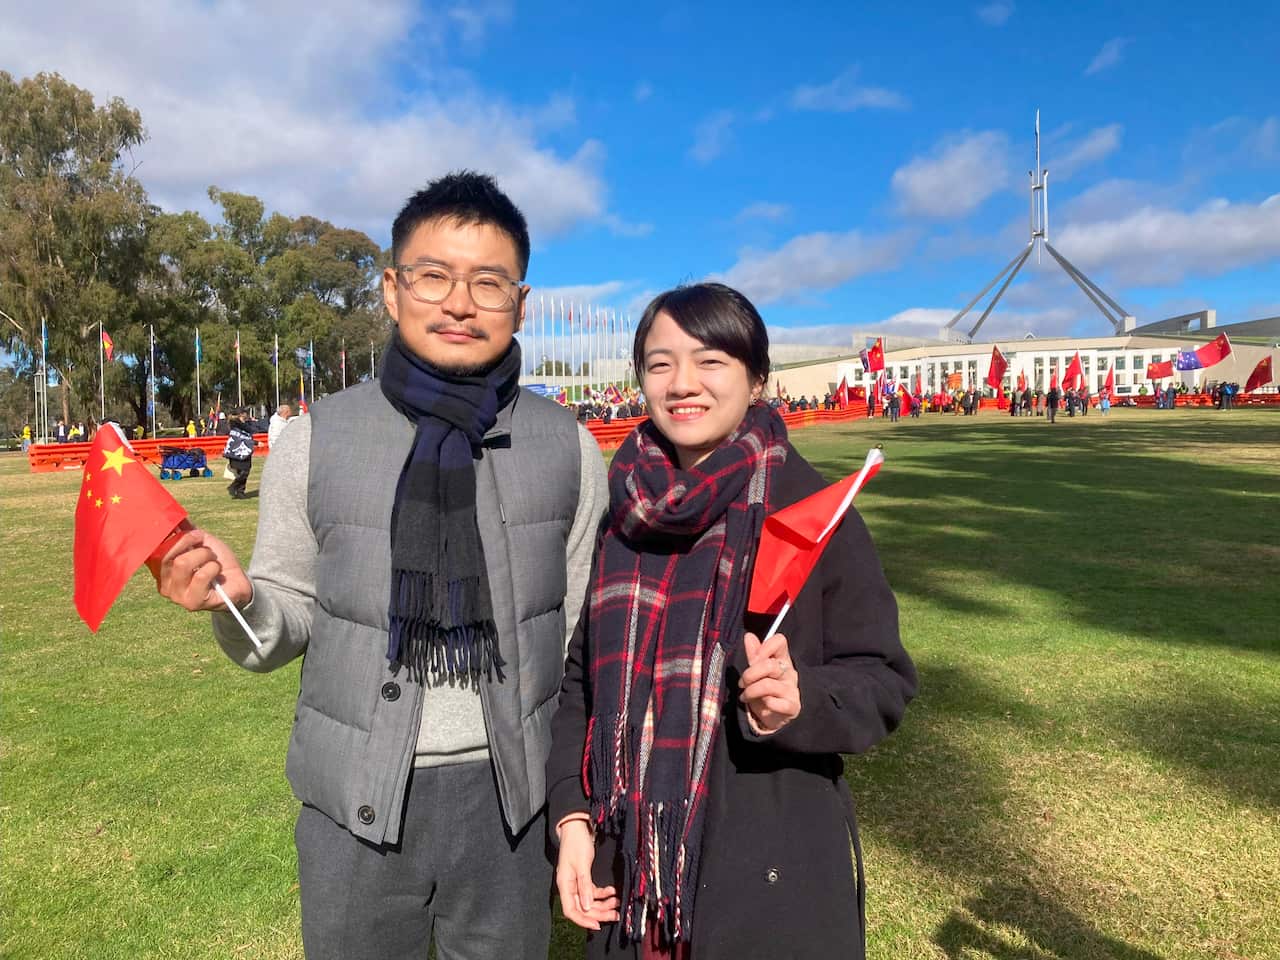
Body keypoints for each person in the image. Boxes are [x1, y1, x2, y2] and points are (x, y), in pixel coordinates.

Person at [153, 172, 608, 960]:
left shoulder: (568, 446)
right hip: (355, 802)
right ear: (393, 290)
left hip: (510, 804)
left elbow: (575, 642)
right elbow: (283, 614)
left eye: (488, 282)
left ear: (520, 303)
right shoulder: (315, 439)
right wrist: (240, 600)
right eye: (434, 276)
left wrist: (571, 802)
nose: (460, 303)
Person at [546, 283, 917, 959]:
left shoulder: (810, 511)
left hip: (767, 878)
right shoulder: (625, 514)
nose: (682, 383)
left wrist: (799, 705)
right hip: (630, 877)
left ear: (758, 380)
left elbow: (883, 680)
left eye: (710, 360)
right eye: (660, 364)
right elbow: (581, 684)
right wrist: (573, 818)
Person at [222, 408, 257, 499]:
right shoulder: (234, 424)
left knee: (245, 471)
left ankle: (240, 491)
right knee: (242, 471)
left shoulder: (246, 424)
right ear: (242, 414)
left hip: (245, 450)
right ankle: (234, 487)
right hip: (236, 450)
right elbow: (241, 435)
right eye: (245, 413)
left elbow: (252, 432)